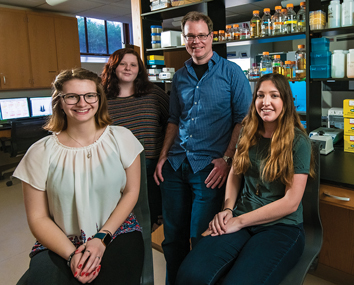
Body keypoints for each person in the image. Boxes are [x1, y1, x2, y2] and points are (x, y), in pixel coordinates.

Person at [176, 73, 315, 285]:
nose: (265, 102)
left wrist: (238, 222)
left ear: (285, 102)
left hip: (281, 228)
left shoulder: (298, 142)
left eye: (274, 96)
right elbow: (235, 173)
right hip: (240, 216)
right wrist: (227, 209)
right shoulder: (248, 132)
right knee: (190, 274)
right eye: (260, 95)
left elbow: (291, 202)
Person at [14, 68, 144, 285]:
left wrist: (101, 238)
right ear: (60, 102)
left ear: (99, 99)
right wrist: (72, 254)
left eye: (89, 95)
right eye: (72, 96)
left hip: (116, 232)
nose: (82, 103)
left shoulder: (123, 138)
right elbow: (38, 218)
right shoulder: (39, 153)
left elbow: (131, 192)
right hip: (59, 239)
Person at [153, 11, 252, 285]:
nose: (195, 41)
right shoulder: (179, 76)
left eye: (201, 35)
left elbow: (243, 121)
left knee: (201, 237)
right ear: (184, 39)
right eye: (190, 36)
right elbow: (174, 120)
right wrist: (163, 157)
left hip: (208, 169)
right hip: (175, 166)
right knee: (172, 238)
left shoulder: (231, 73)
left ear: (211, 37)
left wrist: (226, 159)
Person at [101, 48, 169, 231]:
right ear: (113, 68)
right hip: (119, 170)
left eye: (133, 64)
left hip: (153, 168)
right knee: (127, 219)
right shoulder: (102, 99)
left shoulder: (153, 94)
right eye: (122, 64)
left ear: (139, 69)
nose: (127, 68)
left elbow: (171, 122)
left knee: (154, 219)